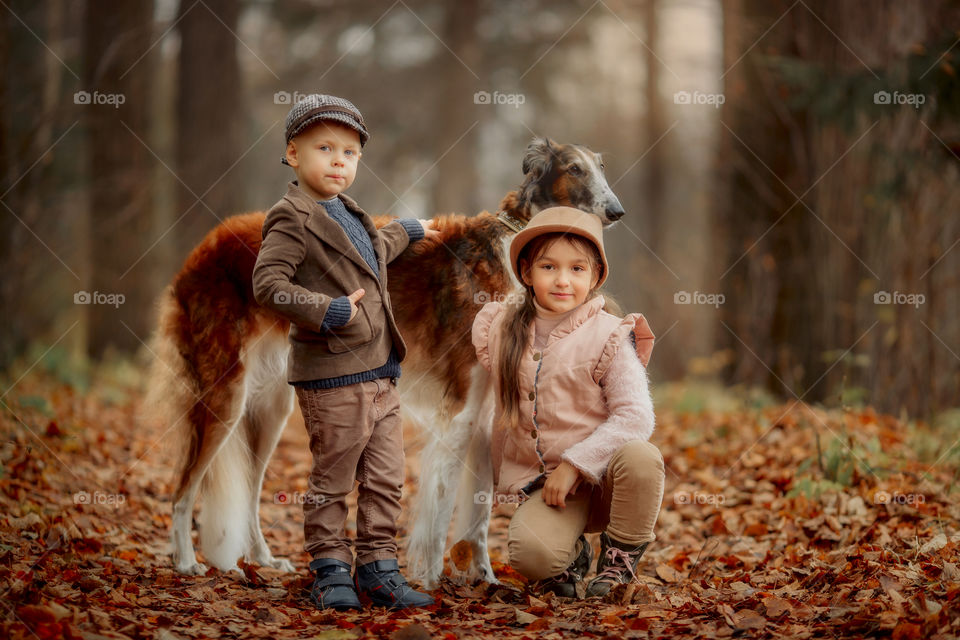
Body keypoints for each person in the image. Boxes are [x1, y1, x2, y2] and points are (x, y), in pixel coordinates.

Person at [253, 94, 438, 611]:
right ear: (293, 153)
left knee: (385, 478)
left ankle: (378, 567)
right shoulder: (290, 215)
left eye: (350, 152)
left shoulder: (349, 210)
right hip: (332, 375)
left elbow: (373, 249)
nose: (339, 160)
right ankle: (329, 567)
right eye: (324, 148)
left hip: (382, 372)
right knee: (332, 479)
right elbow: (268, 284)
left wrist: (410, 229)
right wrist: (327, 310)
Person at [471, 206, 663, 598]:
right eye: (548, 267)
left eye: (577, 269)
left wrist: (575, 464)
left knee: (642, 457)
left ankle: (619, 558)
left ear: (595, 276)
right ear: (526, 272)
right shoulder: (502, 329)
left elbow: (636, 416)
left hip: (611, 479)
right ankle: (569, 555)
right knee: (532, 557)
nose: (562, 280)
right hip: (554, 490)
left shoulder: (609, 334)